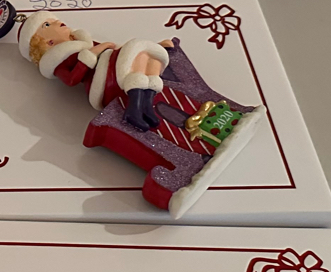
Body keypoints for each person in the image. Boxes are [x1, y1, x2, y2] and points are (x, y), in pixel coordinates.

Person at [15, 14, 266, 218]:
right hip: (103, 84)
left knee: (147, 53)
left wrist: (106, 49)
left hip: (114, 71)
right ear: (46, 42)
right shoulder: (57, 58)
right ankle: (140, 100)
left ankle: (139, 104)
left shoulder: (81, 40)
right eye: (47, 24)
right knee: (141, 50)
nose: (58, 22)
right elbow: (73, 78)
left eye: (53, 19)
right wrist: (97, 50)